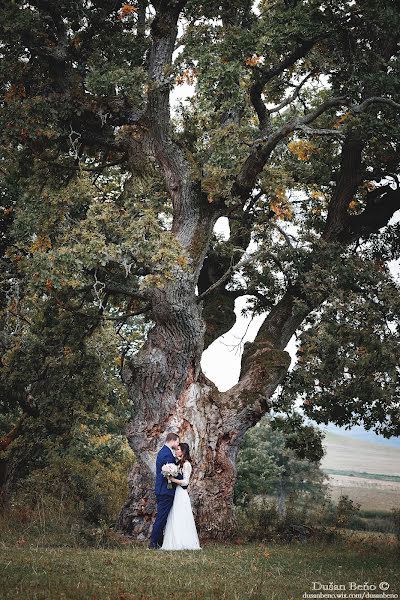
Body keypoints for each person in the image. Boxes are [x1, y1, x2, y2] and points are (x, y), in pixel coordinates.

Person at [161, 442, 201, 551]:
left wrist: (173, 480)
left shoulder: (187, 464)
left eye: (178, 449)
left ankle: (184, 542)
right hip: (175, 492)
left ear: (183, 451)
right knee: (174, 515)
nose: (176, 451)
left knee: (181, 516)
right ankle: (173, 542)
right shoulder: (179, 464)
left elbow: (185, 482)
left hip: (181, 493)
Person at [148, 432, 180, 549]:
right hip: (165, 490)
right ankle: (153, 543)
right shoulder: (167, 454)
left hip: (161, 490)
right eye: (177, 442)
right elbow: (171, 473)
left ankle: (159, 542)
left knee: (162, 516)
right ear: (172, 440)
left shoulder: (164, 451)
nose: (178, 444)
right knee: (161, 517)